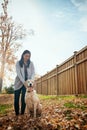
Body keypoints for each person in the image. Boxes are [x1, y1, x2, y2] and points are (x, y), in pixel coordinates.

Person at [14, 50, 35, 115]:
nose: (27, 57)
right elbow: (19, 73)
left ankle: (22, 113)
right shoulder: (18, 63)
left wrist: (30, 81)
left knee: (24, 98)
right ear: (23, 55)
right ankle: (17, 113)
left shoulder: (31, 63)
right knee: (16, 98)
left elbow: (33, 72)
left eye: (28, 56)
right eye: (26, 56)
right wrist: (24, 82)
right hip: (19, 82)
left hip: (27, 83)